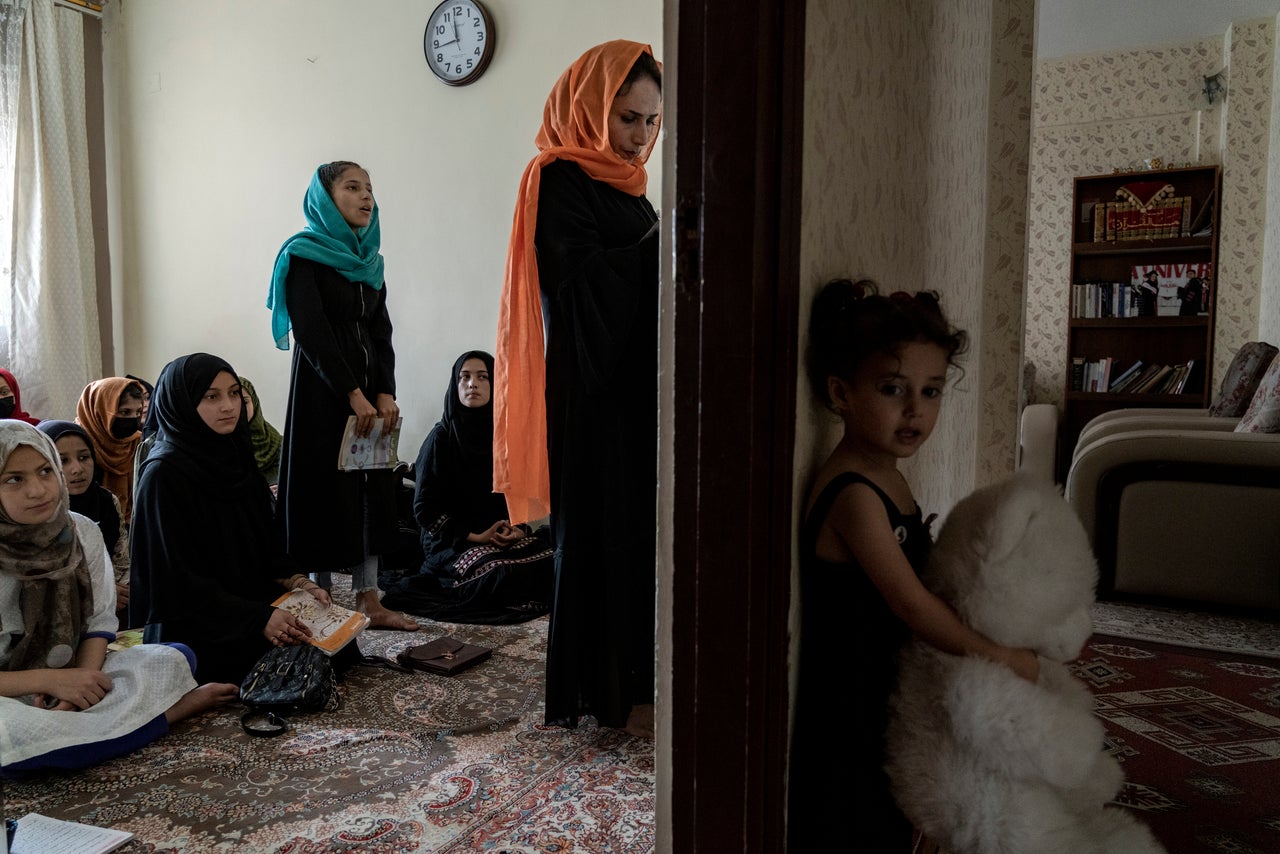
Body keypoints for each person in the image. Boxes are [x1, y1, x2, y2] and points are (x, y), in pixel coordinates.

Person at [789, 278, 1040, 850]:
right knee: (858, 825)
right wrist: (999, 656)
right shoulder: (854, 494)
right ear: (839, 392)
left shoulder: (887, 474)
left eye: (930, 392)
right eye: (891, 389)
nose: (914, 411)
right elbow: (908, 602)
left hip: (889, 688)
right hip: (851, 709)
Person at [494, 41, 661, 737]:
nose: (640, 136)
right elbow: (585, 289)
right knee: (602, 535)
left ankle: (638, 686)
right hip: (593, 396)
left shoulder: (629, 187)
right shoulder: (559, 178)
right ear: (589, 108)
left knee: (639, 537)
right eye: (628, 118)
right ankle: (609, 696)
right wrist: (670, 242)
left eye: (652, 122)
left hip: (635, 391)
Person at [0, 420, 237, 777]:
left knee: (171, 658)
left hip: (74, 668)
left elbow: (99, 623)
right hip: (13, 687)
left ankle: (81, 734)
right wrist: (50, 682)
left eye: (46, 471)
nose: (38, 490)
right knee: (10, 736)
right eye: (14, 479)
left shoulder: (81, 532)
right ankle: (169, 714)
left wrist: (80, 683)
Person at [267, 160, 417, 631]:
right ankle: (323, 600)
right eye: (353, 187)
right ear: (326, 198)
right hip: (323, 399)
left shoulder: (370, 263)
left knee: (372, 492)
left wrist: (385, 391)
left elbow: (381, 331)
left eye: (370, 188)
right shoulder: (303, 256)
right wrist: (352, 393)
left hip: (371, 402)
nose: (366, 197)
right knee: (324, 496)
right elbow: (312, 333)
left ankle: (370, 600)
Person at [129, 353, 335, 684]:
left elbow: (265, 544)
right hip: (194, 618)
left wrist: (297, 581)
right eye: (212, 396)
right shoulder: (164, 475)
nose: (228, 406)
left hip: (245, 604)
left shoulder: (236, 456)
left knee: (326, 645)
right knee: (277, 667)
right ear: (182, 401)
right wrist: (258, 618)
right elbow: (175, 582)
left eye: (234, 393)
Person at [381, 351, 553, 623]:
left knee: (554, 557)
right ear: (455, 385)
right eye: (465, 377)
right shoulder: (441, 438)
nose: (473, 384)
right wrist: (476, 537)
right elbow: (424, 510)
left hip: (498, 536)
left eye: (483, 377)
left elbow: (515, 495)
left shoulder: (504, 439)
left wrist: (516, 530)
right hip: (453, 540)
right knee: (497, 574)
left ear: (495, 384)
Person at [37, 420, 130, 616]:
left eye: (84, 457)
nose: (78, 469)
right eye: (63, 460)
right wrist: (100, 593)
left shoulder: (106, 500)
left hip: (112, 608)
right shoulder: (38, 510)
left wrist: (114, 590)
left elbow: (121, 558)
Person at [75, 377, 145, 523]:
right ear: (101, 410)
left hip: (129, 524)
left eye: (137, 412)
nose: (133, 419)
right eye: (125, 412)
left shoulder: (137, 442)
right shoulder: (77, 442)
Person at [239, 376, 283, 487]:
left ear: (254, 403)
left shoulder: (280, 444)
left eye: (244, 402)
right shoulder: (218, 450)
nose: (239, 409)